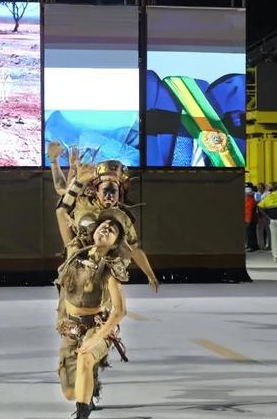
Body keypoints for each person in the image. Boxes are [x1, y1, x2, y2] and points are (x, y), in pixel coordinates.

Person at [54, 162, 130, 419]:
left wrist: (97, 339)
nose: (106, 228)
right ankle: (89, 383)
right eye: (103, 226)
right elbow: (62, 210)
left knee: (87, 355)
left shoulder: (111, 267)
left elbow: (120, 311)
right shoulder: (74, 252)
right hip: (71, 324)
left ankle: (82, 413)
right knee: (69, 392)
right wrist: (78, 181)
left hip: (97, 325)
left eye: (112, 229)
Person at [48, 141, 159, 292]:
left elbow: (134, 249)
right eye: (105, 190)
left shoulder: (122, 217)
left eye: (113, 191)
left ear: (120, 194)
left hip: (106, 262)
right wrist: (55, 161)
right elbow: (62, 190)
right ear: (97, 191)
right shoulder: (82, 200)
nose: (109, 196)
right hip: (78, 253)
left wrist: (150, 274)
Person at [244, 183, 260, 252]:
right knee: (250, 232)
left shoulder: (251, 199)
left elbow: (249, 211)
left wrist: (248, 220)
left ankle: (252, 246)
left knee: (251, 233)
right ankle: (252, 245)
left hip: (251, 218)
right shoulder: (248, 199)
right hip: (249, 218)